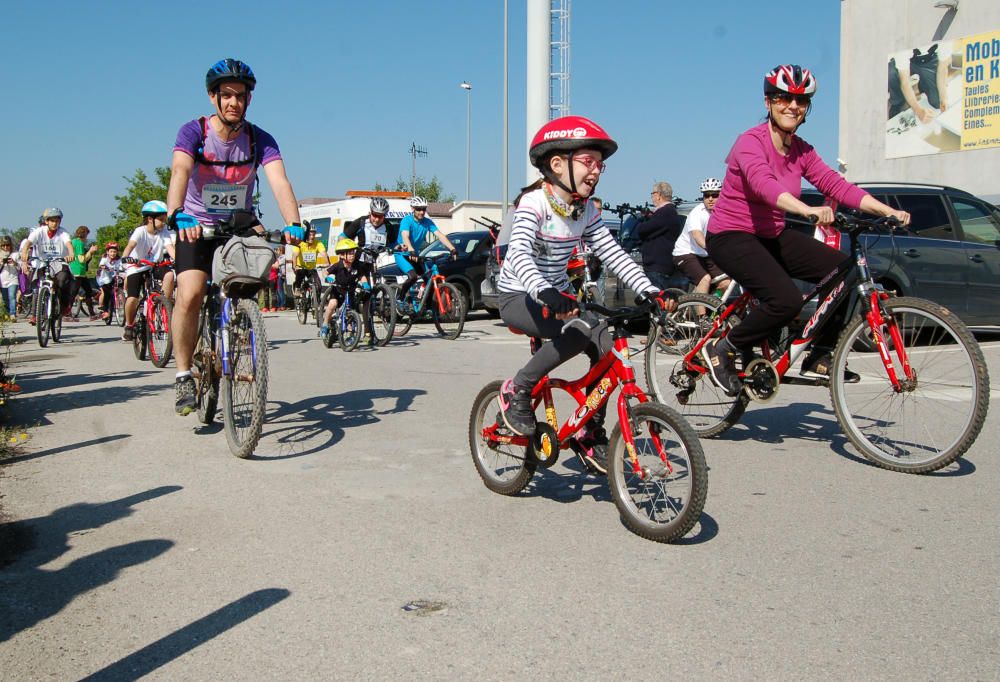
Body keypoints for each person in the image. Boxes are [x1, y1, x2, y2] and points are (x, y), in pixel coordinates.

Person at [702, 64, 910, 396]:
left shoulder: (802, 151)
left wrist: (888, 210)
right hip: (731, 235)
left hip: (770, 235)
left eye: (801, 101)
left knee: (844, 272)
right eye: (784, 98)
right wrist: (807, 210)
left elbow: (837, 185)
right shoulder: (749, 142)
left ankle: (820, 355)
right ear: (769, 101)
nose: (793, 106)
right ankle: (723, 347)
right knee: (785, 299)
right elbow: (764, 185)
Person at [496, 115, 673, 474]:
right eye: (588, 162)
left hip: (556, 295)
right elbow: (517, 254)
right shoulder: (534, 203)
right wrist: (546, 291)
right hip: (518, 295)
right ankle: (518, 391)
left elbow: (612, 253)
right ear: (558, 164)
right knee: (578, 331)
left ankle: (591, 433)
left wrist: (649, 290)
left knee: (605, 345)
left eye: (599, 164)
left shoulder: (585, 211)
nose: (595, 171)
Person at [167, 58, 303, 415]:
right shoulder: (193, 132)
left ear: (248, 100)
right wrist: (177, 213)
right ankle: (183, 374)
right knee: (192, 292)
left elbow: (279, 181)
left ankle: (239, 327)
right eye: (226, 95)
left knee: (248, 279)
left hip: (238, 225)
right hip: (195, 224)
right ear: (213, 97)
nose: (234, 103)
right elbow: (181, 169)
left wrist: (295, 223)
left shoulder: (260, 140)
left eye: (240, 96)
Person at [672, 177, 732, 308]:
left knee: (726, 283)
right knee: (705, 280)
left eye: (714, 195)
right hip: (686, 253)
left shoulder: (723, 213)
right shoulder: (697, 213)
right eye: (706, 196)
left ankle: (708, 304)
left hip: (705, 254)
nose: (710, 199)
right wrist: (712, 248)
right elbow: (697, 235)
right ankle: (702, 320)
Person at [121, 200, 176, 341]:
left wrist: (178, 259)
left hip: (153, 265)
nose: (164, 223)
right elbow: (130, 245)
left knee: (169, 274)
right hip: (136, 266)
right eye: (161, 219)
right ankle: (129, 324)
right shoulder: (141, 231)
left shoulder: (163, 232)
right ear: (150, 219)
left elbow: (170, 249)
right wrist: (125, 257)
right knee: (133, 298)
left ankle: (164, 304)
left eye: (165, 219)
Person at [393, 196, 458, 307]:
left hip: (415, 255)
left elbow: (440, 235)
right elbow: (405, 236)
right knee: (413, 276)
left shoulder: (428, 222)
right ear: (413, 209)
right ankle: (400, 297)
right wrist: (411, 249)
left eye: (424, 209)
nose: (422, 212)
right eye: (419, 209)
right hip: (402, 254)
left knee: (430, 280)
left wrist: (452, 249)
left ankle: (426, 307)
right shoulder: (406, 220)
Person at [20, 207, 74, 325]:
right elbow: (28, 243)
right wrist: (24, 254)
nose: (55, 223)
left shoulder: (63, 232)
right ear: (46, 221)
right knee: (36, 287)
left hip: (59, 262)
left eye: (57, 221)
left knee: (62, 281)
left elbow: (68, 243)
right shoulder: (39, 231)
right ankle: (37, 313)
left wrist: (71, 253)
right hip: (42, 262)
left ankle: (64, 306)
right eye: (52, 220)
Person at [319, 238, 370, 338]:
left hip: (350, 292)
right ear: (342, 255)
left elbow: (362, 276)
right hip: (338, 290)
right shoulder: (338, 265)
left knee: (351, 314)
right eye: (350, 253)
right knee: (332, 304)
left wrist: (365, 284)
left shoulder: (357, 265)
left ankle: (352, 335)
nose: (352, 255)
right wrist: (327, 277)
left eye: (353, 253)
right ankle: (325, 324)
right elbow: (325, 272)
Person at [638, 182, 684, 290]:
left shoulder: (664, 212)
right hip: (662, 266)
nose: (652, 197)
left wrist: (643, 220)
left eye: (652, 193)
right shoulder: (669, 212)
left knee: (657, 302)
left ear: (658, 195)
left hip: (658, 267)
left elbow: (642, 230)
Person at [68, 225, 99, 320]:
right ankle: (67, 313)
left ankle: (92, 314)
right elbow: (82, 259)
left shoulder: (73, 242)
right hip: (79, 271)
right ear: (84, 235)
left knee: (88, 291)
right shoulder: (80, 244)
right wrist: (90, 251)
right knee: (73, 293)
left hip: (75, 269)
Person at [290, 226, 329, 294]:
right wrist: (295, 266)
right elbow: (295, 255)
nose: (312, 237)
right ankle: (297, 288)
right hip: (301, 267)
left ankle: (316, 302)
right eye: (310, 234)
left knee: (319, 286)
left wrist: (328, 263)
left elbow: (324, 254)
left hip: (311, 268)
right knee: (300, 273)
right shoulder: (300, 243)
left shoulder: (318, 243)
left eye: (313, 234)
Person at [96, 242, 122, 320]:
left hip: (114, 276)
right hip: (103, 278)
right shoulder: (105, 258)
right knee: (106, 293)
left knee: (120, 285)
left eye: (114, 252)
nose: (113, 253)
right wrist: (105, 267)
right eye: (111, 251)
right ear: (107, 252)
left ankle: (120, 299)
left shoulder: (119, 259)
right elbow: (101, 265)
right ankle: (105, 310)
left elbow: (122, 266)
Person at [0, 237, 20, 321]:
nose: (5, 247)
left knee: (12, 296)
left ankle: (12, 314)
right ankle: (8, 314)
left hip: (13, 279)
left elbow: (20, 267)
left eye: (7, 245)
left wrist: (14, 262)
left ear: (10, 245)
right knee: (5, 298)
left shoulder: (15, 254)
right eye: (3, 245)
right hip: (2, 280)